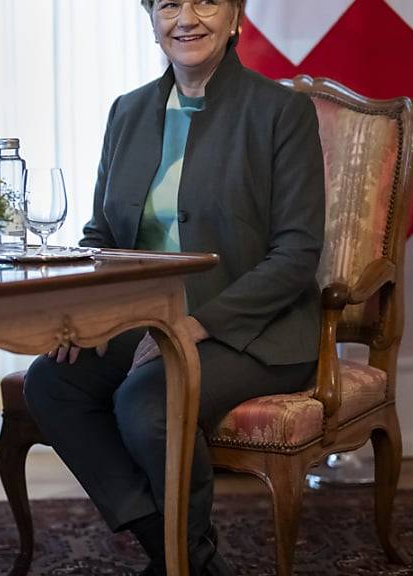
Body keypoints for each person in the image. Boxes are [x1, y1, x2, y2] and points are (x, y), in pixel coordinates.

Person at [22, 0, 325, 574]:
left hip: (252, 330)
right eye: (168, 4)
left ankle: (181, 558)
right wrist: (83, 314)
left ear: (235, 16)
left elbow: (297, 255)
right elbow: (102, 234)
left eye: (206, 2)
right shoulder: (128, 111)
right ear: (151, 20)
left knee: (149, 403)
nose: (186, 18)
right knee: (52, 383)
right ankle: (181, 553)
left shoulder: (281, 112)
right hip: (143, 322)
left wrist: (195, 323)